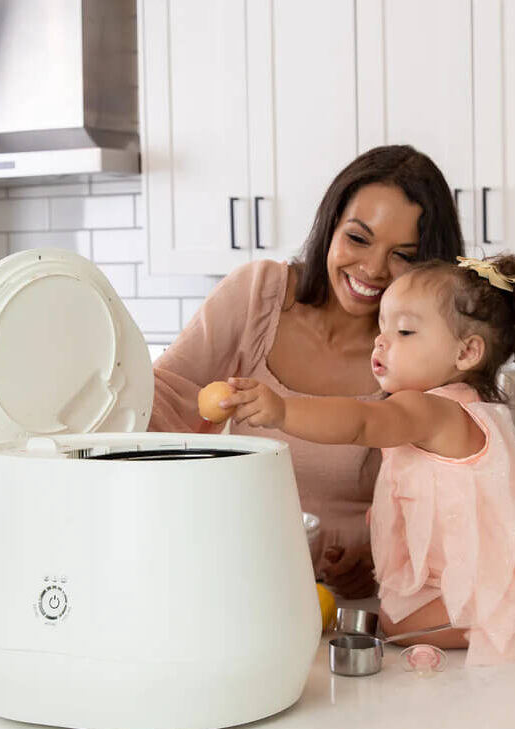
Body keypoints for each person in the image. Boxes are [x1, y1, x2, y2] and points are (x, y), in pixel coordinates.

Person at [149, 144, 464, 598]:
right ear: (331, 226)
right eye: (358, 238)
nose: (373, 269)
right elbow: (165, 396)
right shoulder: (258, 295)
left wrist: (380, 556)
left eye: (403, 255)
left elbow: (448, 500)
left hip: (360, 602)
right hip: (235, 581)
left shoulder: (428, 349)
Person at [222, 254, 515, 664]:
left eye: (405, 331)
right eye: (382, 326)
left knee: (398, 624)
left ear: (467, 352)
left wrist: (283, 411)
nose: (381, 341)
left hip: (486, 583)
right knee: (392, 613)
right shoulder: (475, 409)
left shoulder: (430, 410)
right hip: (469, 576)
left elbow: (361, 422)